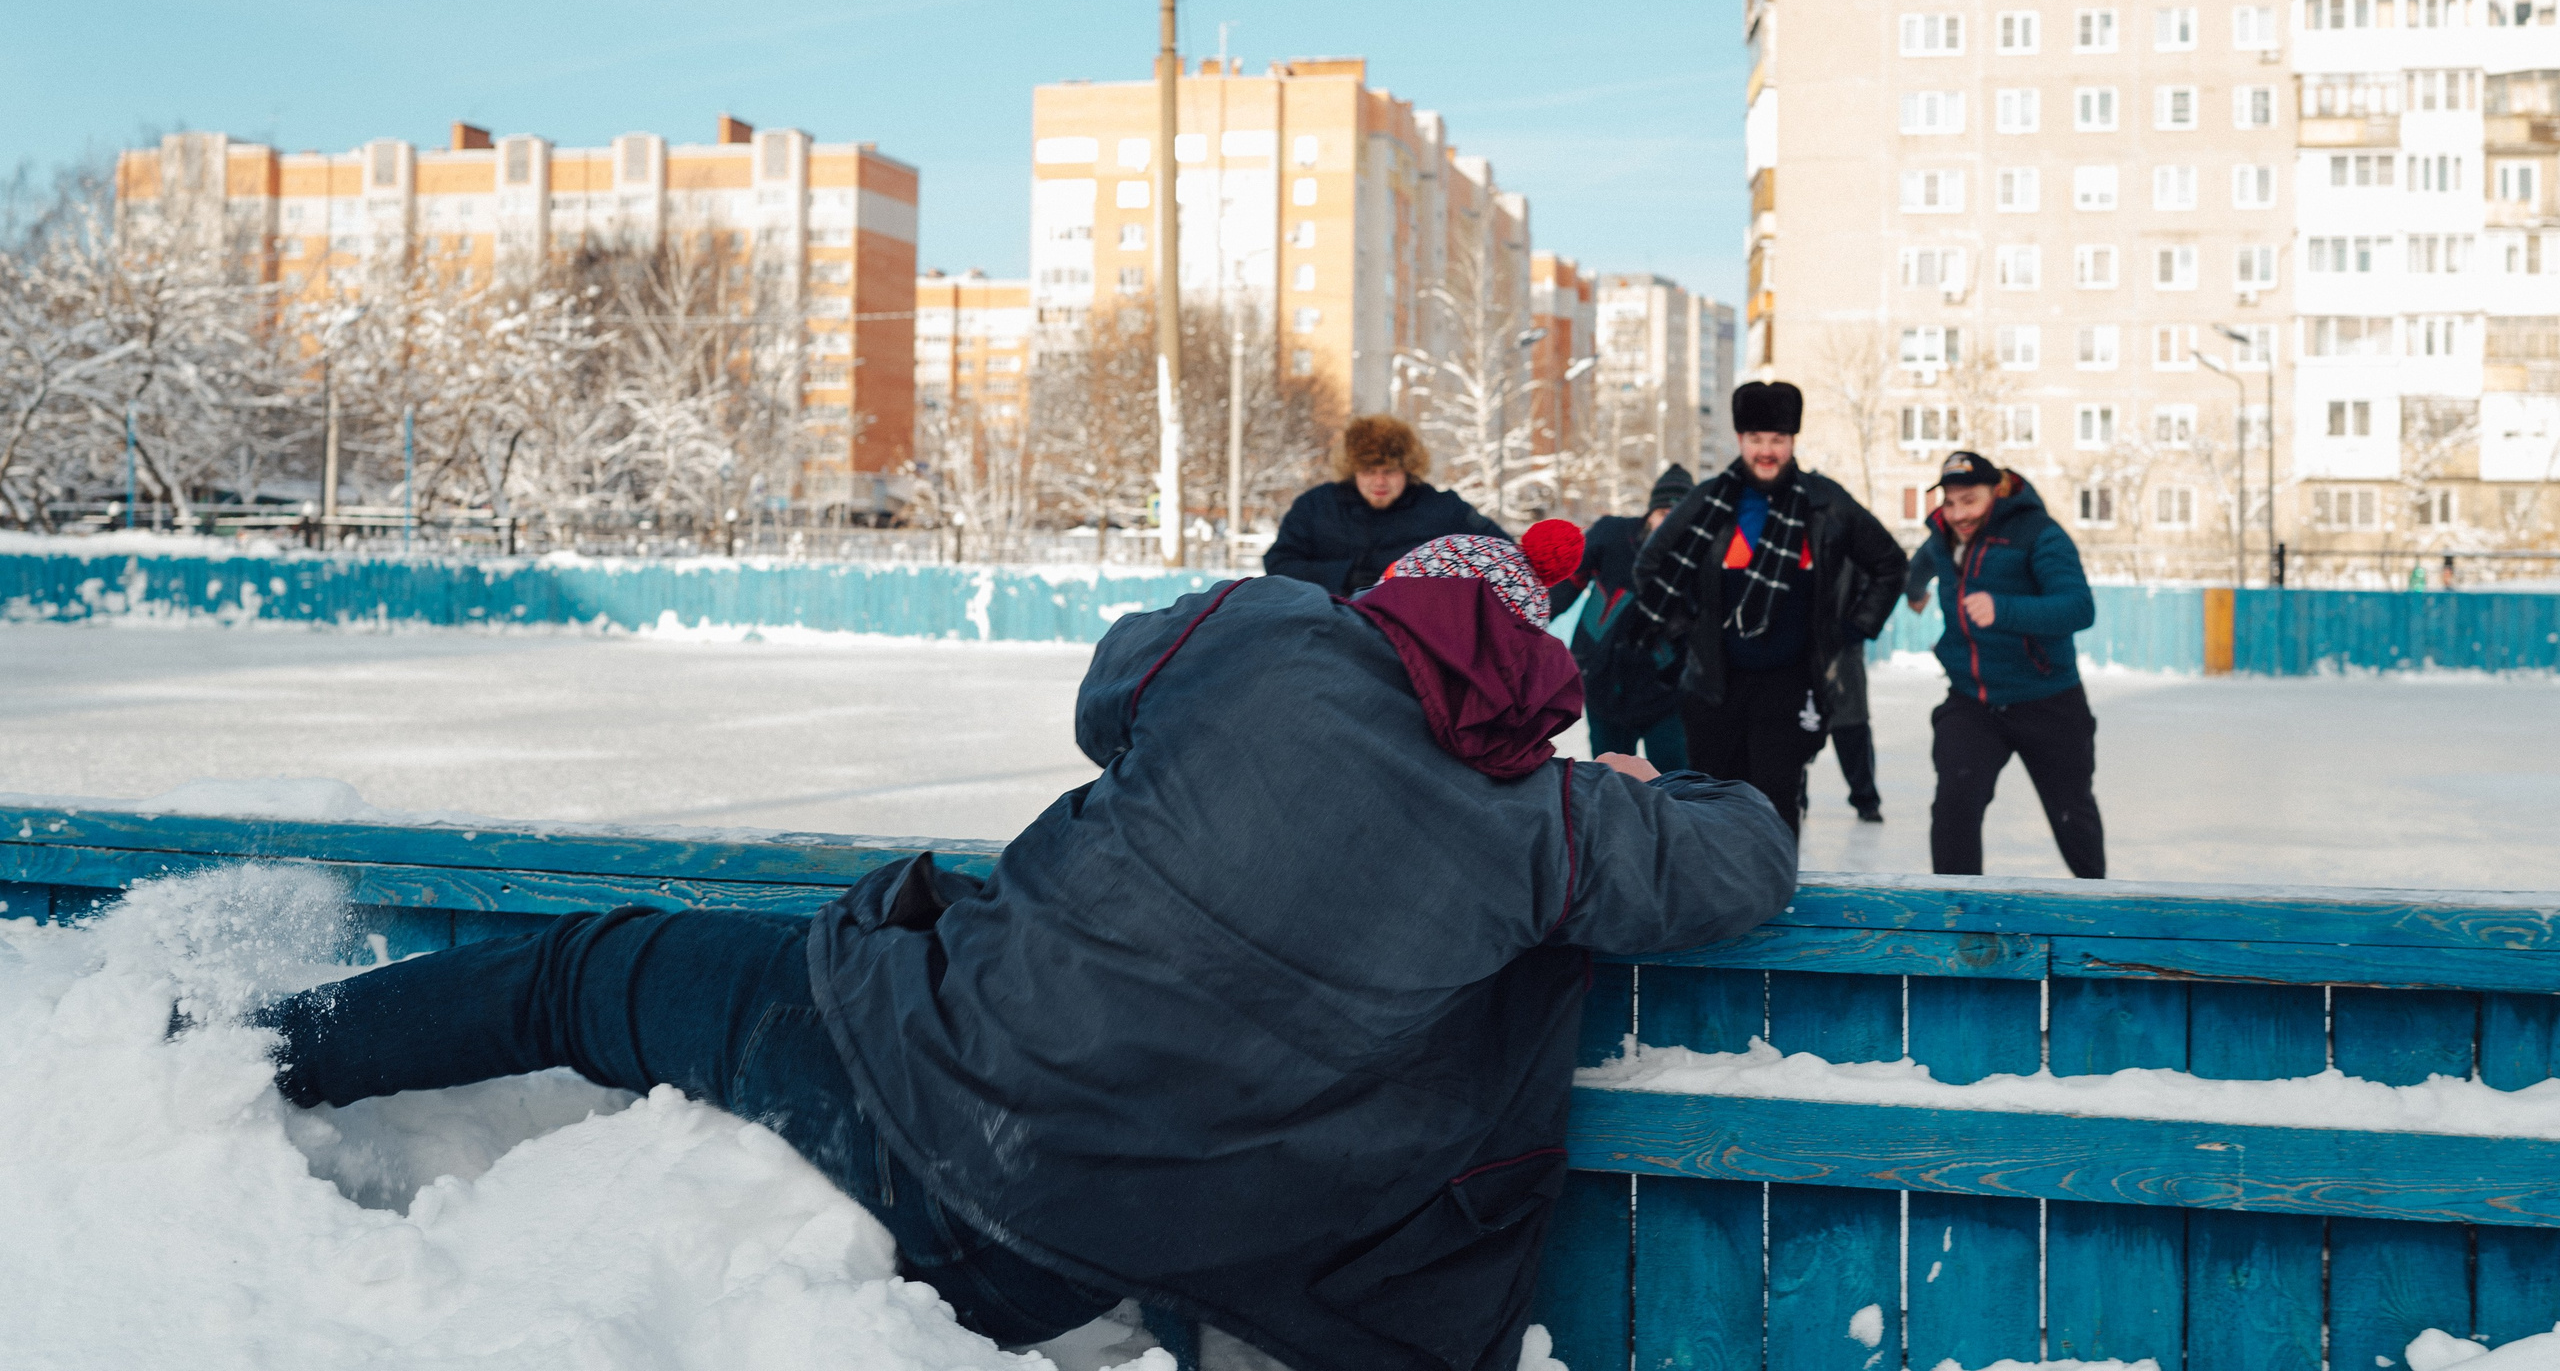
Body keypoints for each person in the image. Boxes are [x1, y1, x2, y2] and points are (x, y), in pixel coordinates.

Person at [248, 528, 1798, 1371]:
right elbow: (1753, 855)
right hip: (1147, 1246)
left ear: (1383, 603)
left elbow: (1107, 694)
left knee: (585, 974)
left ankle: (251, 1049)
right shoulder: (1558, 826)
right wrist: (1644, 783)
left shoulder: (1269, 635)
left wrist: (1290, 619)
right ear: (1537, 683)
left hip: (921, 1080)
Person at [1626, 380, 1908, 838]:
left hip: (1791, 685)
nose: (1767, 451)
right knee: (1712, 808)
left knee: (1775, 809)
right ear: (1740, 440)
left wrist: (1850, 631)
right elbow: (1650, 565)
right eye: (1756, 439)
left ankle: (1774, 903)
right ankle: (1717, 906)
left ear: (1793, 441)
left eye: (1777, 439)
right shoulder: (1711, 499)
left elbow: (1890, 564)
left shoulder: (1825, 502)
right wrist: (1687, 631)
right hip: (1715, 688)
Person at [1903, 450, 2104, 878]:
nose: (1958, 514)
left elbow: (2079, 608)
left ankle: (2098, 916)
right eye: (1950, 502)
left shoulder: (2039, 534)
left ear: (1997, 491)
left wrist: (2004, 610)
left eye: (1969, 501)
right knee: (1954, 805)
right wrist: (1914, 588)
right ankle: (1958, 916)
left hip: (2047, 699)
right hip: (1973, 701)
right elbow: (1925, 558)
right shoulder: (1945, 533)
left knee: (2073, 815)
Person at [1549, 463, 1695, 771]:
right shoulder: (1613, 535)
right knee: (1609, 782)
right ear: (1650, 513)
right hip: (1604, 684)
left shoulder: (1697, 560)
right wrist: (1524, 622)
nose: (1669, 526)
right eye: (1663, 515)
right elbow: (1563, 586)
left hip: (1666, 694)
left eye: (1679, 518)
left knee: (1675, 785)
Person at [1263, 413, 1507, 594]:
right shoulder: (1315, 507)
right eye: (1369, 471)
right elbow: (1279, 563)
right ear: (1353, 470)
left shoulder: (1445, 510)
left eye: (1389, 471)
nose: (1379, 481)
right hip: (1329, 627)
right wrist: (1345, 576)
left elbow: (1504, 555)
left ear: (1408, 470)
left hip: (1414, 632)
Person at [1818, 572, 1886, 823]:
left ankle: (1865, 798)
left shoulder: (1849, 536)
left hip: (1842, 645)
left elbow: (1887, 574)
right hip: (1792, 643)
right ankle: (1792, 797)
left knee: (1851, 725)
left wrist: (1859, 625)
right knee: (1790, 724)